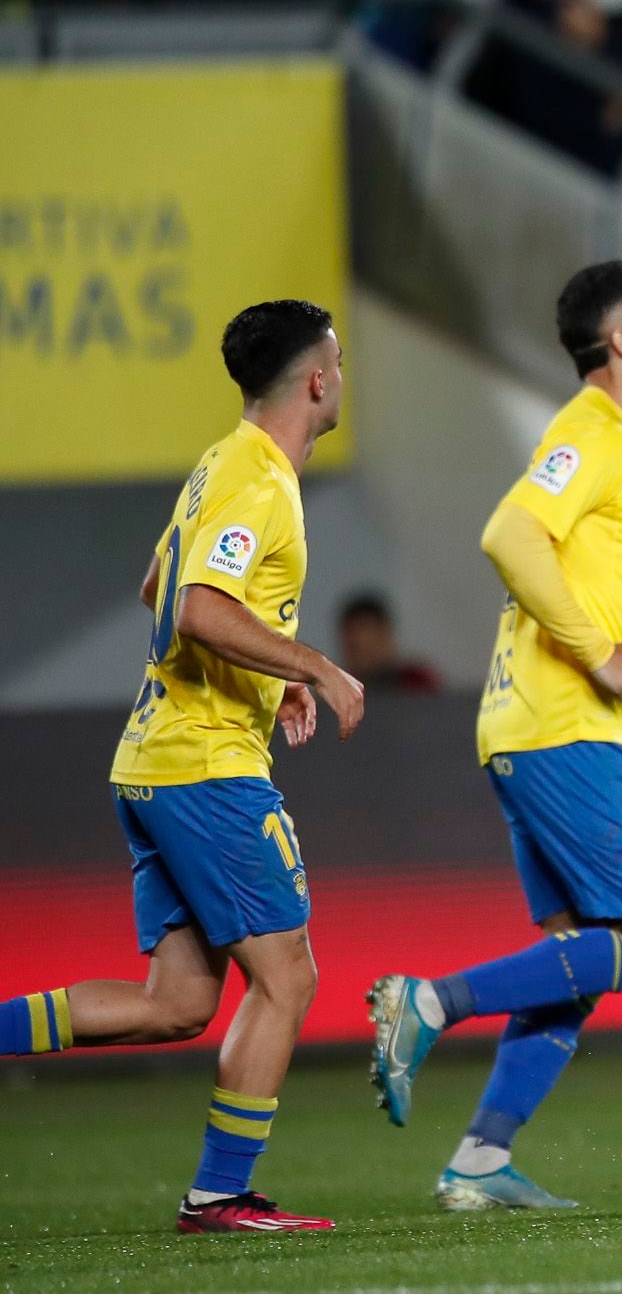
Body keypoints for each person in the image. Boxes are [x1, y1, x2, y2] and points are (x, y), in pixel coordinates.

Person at [365, 262, 622, 1209]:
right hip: (566, 728)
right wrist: (596, 654)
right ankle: (429, 1003)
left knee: (574, 956)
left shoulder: (607, 442)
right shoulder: (591, 432)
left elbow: (605, 595)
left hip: (523, 728)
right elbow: (510, 534)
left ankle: (479, 1160)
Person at [0, 301, 366, 1233]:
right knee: (289, 977)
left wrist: (266, 664)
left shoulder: (221, 461)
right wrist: (310, 664)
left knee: (177, 1003)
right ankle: (220, 1194)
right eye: (338, 362)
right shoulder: (261, 479)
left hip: (156, 759)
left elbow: (156, 586)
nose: (341, 376)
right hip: (203, 768)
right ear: (316, 380)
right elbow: (197, 605)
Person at [338, 594, 444, 696]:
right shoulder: (336, 691)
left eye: (370, 648)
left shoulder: (418, 683)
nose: (362, 659)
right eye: (355, 648)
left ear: (386, 636)